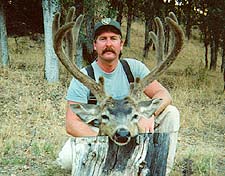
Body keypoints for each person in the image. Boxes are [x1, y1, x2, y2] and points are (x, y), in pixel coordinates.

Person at [56, 18, 180, 175]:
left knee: (171, 112)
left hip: (133, 125)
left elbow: (163, 94)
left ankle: (161, 170)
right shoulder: (83, 76)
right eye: (103, 39)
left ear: (121, 45)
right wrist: (104, 139)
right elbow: (72, 124)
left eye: (113, 38)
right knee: (66, 160)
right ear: (95, 45)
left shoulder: (134, 68)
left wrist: (149, 115)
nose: (108, 44)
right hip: (100, 130)